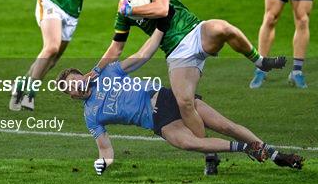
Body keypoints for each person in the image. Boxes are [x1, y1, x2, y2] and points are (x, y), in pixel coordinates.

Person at [87, 0, 286, 142]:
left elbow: (162, 8)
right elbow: (116, 47)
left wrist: (131, 9)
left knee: (223, 28)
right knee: (184, 102)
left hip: (196, 32)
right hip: (176, 53)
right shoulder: (123, 9)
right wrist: (95, 71)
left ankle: (260, 61)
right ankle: (209, 153)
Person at [56, 26, 304, 176]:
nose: (77, 87)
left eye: (76, 80)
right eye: (71, 89)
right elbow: (105, 149)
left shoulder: (108, 72)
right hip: (157, 121)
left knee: (225, 126)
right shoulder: (91, 115)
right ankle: (246, 149)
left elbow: (142, 54)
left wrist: (161, 28)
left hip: (165, 98)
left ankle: (274, 155)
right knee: (189, 143)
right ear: (71, 96)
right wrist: (103, 163)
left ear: (83, 75)